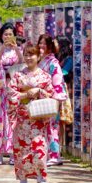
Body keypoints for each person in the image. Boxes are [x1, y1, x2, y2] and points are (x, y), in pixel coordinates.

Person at [8, 44, 54, 183]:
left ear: (38, 56)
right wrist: (25, 94)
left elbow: (50, 94)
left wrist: (39, 90)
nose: (28, 58)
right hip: (23, 118)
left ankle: (42, 177)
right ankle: (23, 178)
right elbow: (11, 94)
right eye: (26, 54)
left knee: (39, 148)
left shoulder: (45, 76)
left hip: (38, 119)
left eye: (31, 54)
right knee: (22, 149)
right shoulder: (18, 75)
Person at [0, 22, 23, 165]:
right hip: (1, 89)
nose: (8, 36)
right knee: (0, 119)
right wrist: (1, 50)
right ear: (1, 36)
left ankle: (13, 152)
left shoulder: (17, 50)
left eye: (10, 34)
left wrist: (17, 50)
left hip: (13, 87)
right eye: (5, 34)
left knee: (13, 119)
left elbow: (22, 63)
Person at [37, 34, 67, 166]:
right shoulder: (42, 60)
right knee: (46, 126)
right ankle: (49, 153)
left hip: (52, 97)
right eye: (40, 43)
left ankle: (55, 155)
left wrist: (56, 96)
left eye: (44, 44)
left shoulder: (53, 62)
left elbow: (57, 81)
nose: (41, 46)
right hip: (43, 97)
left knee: (52, 126)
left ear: (50, 46)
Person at [56, 36, 73, 148]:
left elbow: (65, 72)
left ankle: (60, 146)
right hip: (56, 89)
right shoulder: (57, 58)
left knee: (60, 119)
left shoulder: (69, 59)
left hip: (62, 89)